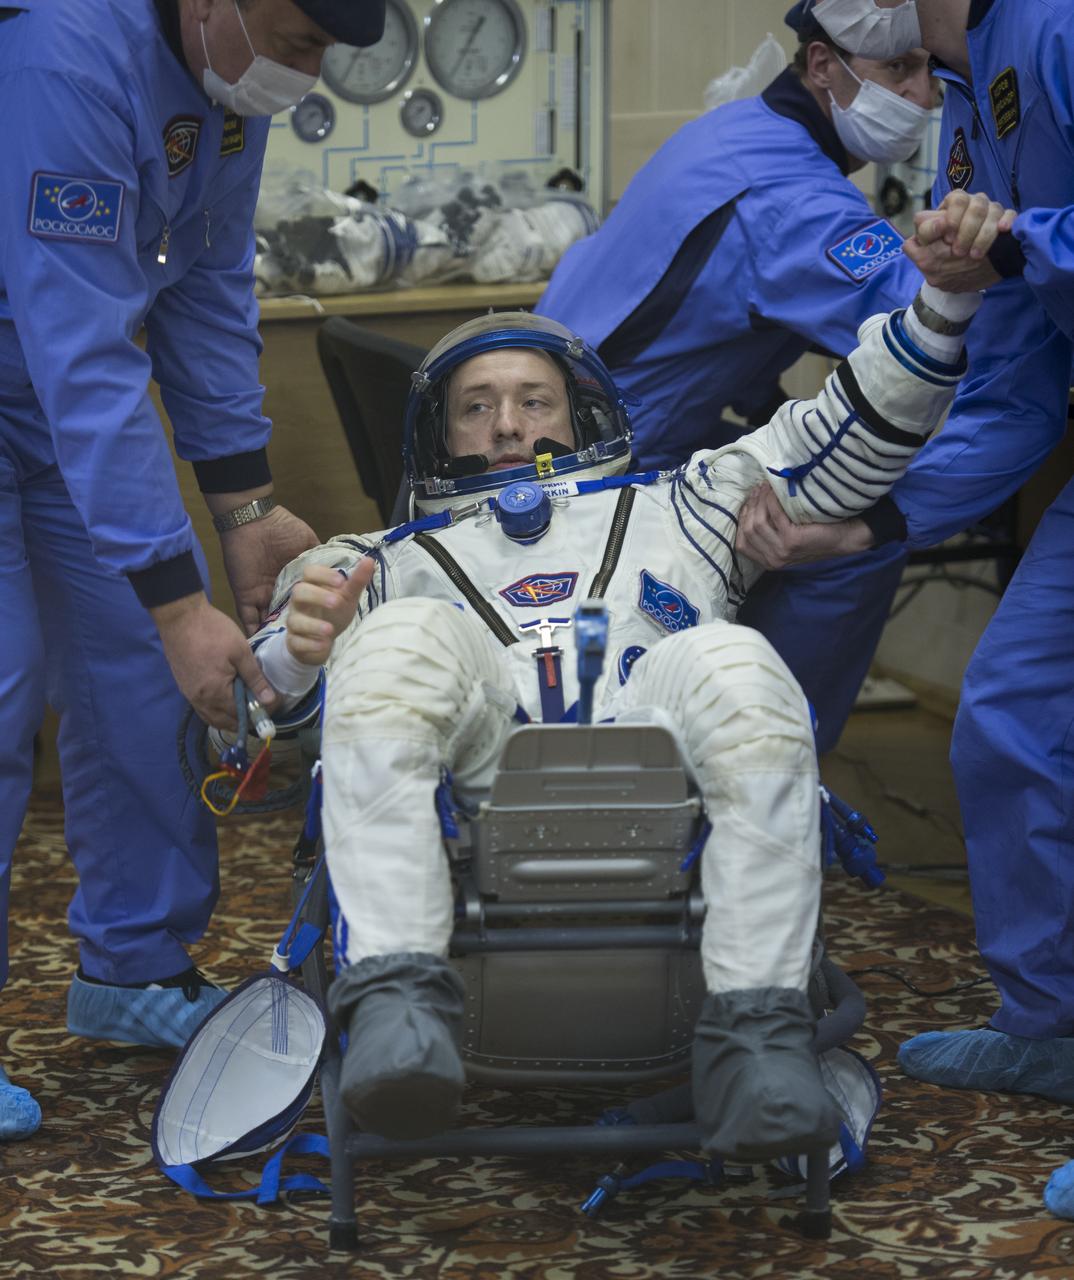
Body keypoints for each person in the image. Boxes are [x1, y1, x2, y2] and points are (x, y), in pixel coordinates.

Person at [246, 280, 978, 1159]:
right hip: (480, 789)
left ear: (582, 413)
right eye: (477, 407)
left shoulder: (691, 503)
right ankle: (399, 1010)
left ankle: (755, 1039)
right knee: (399, 638)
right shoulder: (372, 565)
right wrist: (298, 650)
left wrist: (942, 305)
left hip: (667, 771)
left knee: (734, 659)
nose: (508, 425)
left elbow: (843, 434)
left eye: (533, 400)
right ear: (438, 436)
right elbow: (248, 718)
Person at [0, 0, 386, 1140]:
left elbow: (208, 289)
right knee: (7, 683)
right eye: (299, 42)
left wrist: (247, 505)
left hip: (54, 402)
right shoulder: (62, 59)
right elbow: (82, 347)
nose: (305, 74)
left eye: (325, 52)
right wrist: (180, 596)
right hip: (49, 377)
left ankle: (133, 968)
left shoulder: (225, 81)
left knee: (138, 673)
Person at [741, 0, 1074, 1211]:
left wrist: (1024, 241)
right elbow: (1019, 379)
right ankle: (1052, 1020)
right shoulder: (969, 82)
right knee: (1012, 716)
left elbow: (1026, 254)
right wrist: (870, 521)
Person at [535, 5, 937, 754]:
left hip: (551, 435)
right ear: (823, 66)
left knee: (788, 470)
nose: (928, 94)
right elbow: (930, 332)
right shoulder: (803, 202)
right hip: (607, 475)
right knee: (856, 534)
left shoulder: (732, 132)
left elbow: (713, 314)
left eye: (930, 69)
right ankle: (768, 768)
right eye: (900, 70)